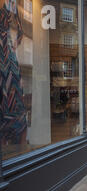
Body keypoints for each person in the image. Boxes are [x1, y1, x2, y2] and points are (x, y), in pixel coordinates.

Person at [0, 0, 27, 149]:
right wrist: (12, 46)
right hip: (8, 52)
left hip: (6, 53)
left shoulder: (11, 5)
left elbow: (21, 32)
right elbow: (21, 32)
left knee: (11, 90)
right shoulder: (13, 5)